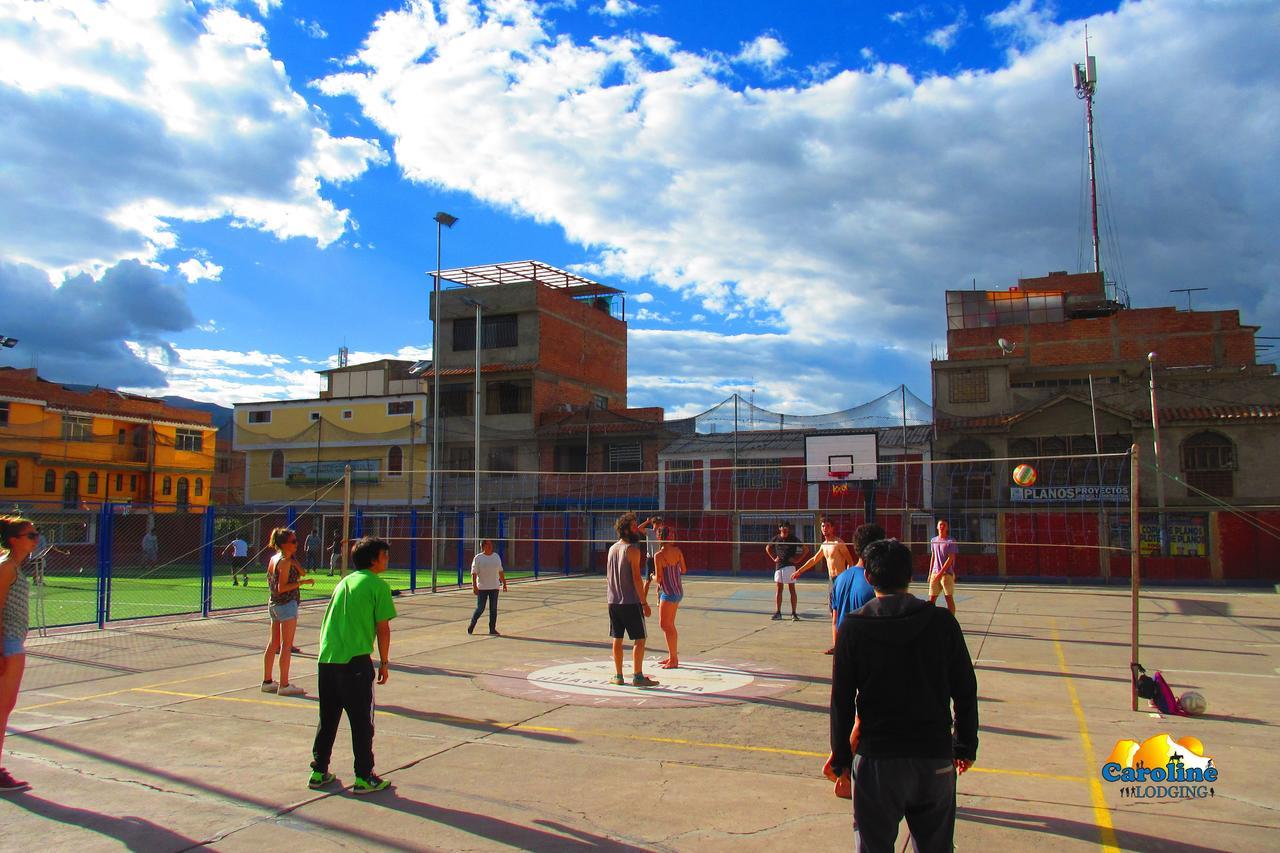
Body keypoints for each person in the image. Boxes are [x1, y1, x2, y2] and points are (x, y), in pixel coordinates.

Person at [829, 538, 978, 853]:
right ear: (911, 575)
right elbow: (965, 688)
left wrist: (841, 756)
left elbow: (841, 701)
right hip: (933, 757)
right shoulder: (942, 622)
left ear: (868, 578)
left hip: (878, 760)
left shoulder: (853, 628)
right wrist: (965, 744)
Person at [309, 536, 397, 795]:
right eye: (384, 555)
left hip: (327, 660)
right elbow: (383, 628)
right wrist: (384, 662)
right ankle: (364, 776)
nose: (387, 559)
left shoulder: (344, 582)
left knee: (328, 719)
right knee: (362, 723)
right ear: (373, 559)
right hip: (355, 662)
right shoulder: (378, 586)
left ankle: (318, 770)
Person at [0, 515, 38, 792]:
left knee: (4, 707)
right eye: (30, 535)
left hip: (12, 643)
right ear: (14, 539)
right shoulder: (6, 567)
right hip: (8, 644)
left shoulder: (14, 566)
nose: (35, 539)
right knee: (2, 708)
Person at [606, 512, 658, 687]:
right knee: (640, 639)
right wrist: (644, 603)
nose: (637, 529)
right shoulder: (633, 550)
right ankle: (637, 676)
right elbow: (637, 578)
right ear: (626, 529)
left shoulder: (612, 549)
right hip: (630, 602)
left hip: (613, 602)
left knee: (617, 638)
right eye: (634, 526)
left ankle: (618, 676)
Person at [793, 516, 857, 653]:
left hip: (841, 580)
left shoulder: (839, 543)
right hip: (831, 581)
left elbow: (850, 562)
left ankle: (844, 644)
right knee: (833, 613)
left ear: (833, 528)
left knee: (842, 613)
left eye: (827, 526)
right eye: (822, 526)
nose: (824, 529)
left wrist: (847, 579)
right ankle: (837, 645)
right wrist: (799, 571)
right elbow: (814, 560)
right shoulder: (824, 545)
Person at [263, 527, 315, 697]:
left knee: (273, 643)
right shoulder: (284, 562)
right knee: (286, 645)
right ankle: (284, 684)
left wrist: (294, 561)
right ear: (284, 544)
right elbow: (282, 587)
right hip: (286, 604)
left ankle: (268, 681)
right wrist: (302, 583)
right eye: (293, 541)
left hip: (274, 604)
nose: (296, 544)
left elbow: (302, 571)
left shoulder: (277, 559)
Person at [830, 523, 885, 626]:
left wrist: (838, 643)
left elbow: (835, 622)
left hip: (844, 641)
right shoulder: (876, 584)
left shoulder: (839, 579)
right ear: (876, 548)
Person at [653, 525, 687, 669]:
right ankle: (672, 656)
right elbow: (684, 570)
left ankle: (674, 659)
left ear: (659, 537)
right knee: (669, 624)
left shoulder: (659, 556)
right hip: (678, 590)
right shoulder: (677, 551)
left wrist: (651, 576)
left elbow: (659, 579)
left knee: (665, 625)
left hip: (668, 592)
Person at [766, 520, 808, 621]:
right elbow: (767, 547)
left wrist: (797, 560)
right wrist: (774, 558)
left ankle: (794, 613)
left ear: (788, 528)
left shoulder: (793, 538)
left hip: (790, 566)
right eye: (782, 527)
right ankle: (778, 612)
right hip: (779, 566)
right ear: (779, 528)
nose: (784, 528)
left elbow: (806, 549)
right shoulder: (776, 538)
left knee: (791, 589)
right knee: (779, 589)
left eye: (786, 527)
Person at [467, 539, 507, 636]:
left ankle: (492, 629)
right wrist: (474, 586)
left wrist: (504, 583)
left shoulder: (496, 557)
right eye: (488, 544)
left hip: (494, 587)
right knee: (480, 608)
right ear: (483, 546)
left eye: (491, 544)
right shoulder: (478, 558)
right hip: (482, 588)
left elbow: (500, 571)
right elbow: (474, 573)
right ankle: (472, 624)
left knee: (493, 609)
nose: (490, 546)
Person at [928, 520, 959, 615]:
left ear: (947, 528)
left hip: (946, 574)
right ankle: (929, 618)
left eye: (944, 525)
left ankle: (951, 620)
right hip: (934, 573)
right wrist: (930, 574)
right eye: (940, 525)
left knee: (948, 598)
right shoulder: (933, 540)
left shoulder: (951, 541)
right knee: (931, 599)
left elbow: (950, 559)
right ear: (937, 527)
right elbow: (933, 557)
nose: (942, 526)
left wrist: (940, 573)